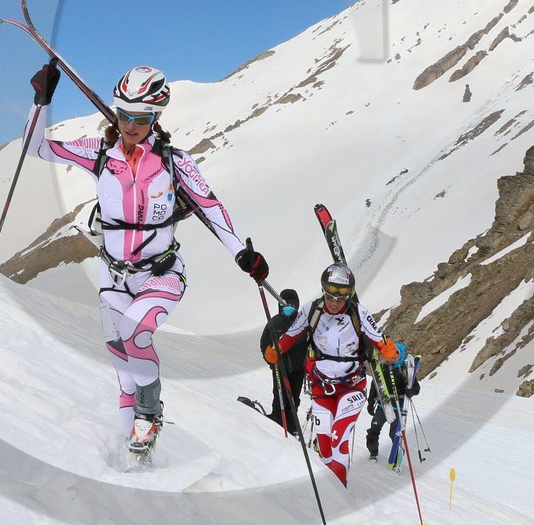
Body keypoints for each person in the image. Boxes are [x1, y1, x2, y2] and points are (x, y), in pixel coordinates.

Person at [26, 62, 269, 454]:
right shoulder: (99, 154)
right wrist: (41, 101)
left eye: (140, 118)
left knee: (136, 332)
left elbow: (211, 207)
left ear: (156, 117)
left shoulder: (174, 161)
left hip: (162, 274)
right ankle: (137, 460)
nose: (129, 125)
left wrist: (242, 252)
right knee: (125, 376)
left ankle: (149, 412)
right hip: (113, 279)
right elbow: (35, 147)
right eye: (124, 115)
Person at [264, 264, 398, 485]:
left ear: (348, 295)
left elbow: (377, 336)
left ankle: (339, 491)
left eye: (341, 298)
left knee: (338, 440)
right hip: (321, 387)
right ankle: (329, 490)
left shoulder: (358, 312)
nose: (335, 303)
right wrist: (275, 350)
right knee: (325, 445)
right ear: (323, 290)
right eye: (330, 296)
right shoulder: (311, 311)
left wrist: (389, 350)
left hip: (351, 386)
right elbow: (291, 334)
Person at [258, 289, 307, 433]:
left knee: (294, 398)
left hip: (298, 369)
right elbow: (264, 343)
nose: (289, 308)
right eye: (286, 305)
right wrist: (270, 360)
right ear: (280, 305)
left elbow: (310, 343)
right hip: (280, 368)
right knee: (280, 396)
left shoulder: (302, 323)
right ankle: (277, 421)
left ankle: (292, 426)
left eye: (292, 306)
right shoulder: (274, 323)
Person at [366, 342, 420, 463]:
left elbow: (416, 388)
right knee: (373, 431)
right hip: (383, 407)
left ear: (401, 355)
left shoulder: (406, 370)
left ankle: (396, 454)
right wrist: (370, 402)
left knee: (394, 434)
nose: (394, 356)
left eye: (397, 354)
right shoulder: (381, 368)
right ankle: (373, 453)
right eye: (391, 353)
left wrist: (411, 391)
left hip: (398, 408)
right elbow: (375, 386)